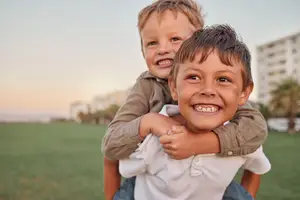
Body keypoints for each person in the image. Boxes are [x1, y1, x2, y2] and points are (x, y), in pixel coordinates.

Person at [102, 0, 268, 199]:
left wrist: (198, 143)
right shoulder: (146, 86)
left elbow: (255, 128)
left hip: (206, 177)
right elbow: (111, 145)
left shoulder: (215, 89)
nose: (163, 49)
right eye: (152, 43)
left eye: (175, 39)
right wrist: (150, 121)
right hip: (154, 178)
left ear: (199, 41)